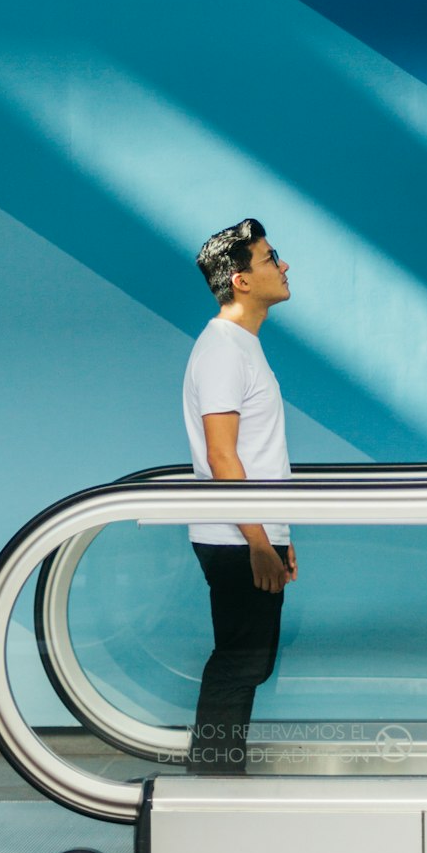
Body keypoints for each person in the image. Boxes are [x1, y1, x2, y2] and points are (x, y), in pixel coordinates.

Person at [182, 218, 297, 774]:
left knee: (248, 662)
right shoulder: (224, 349)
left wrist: (279, 535)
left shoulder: (241, 346)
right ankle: (209, 786)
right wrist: (257, 541)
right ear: (242, 280)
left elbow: (258, 451)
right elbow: (222, 454)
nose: (283, 265)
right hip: (234, 538)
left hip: (249, 534)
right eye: (271, 257)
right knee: (239, 662)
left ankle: (218, 781)